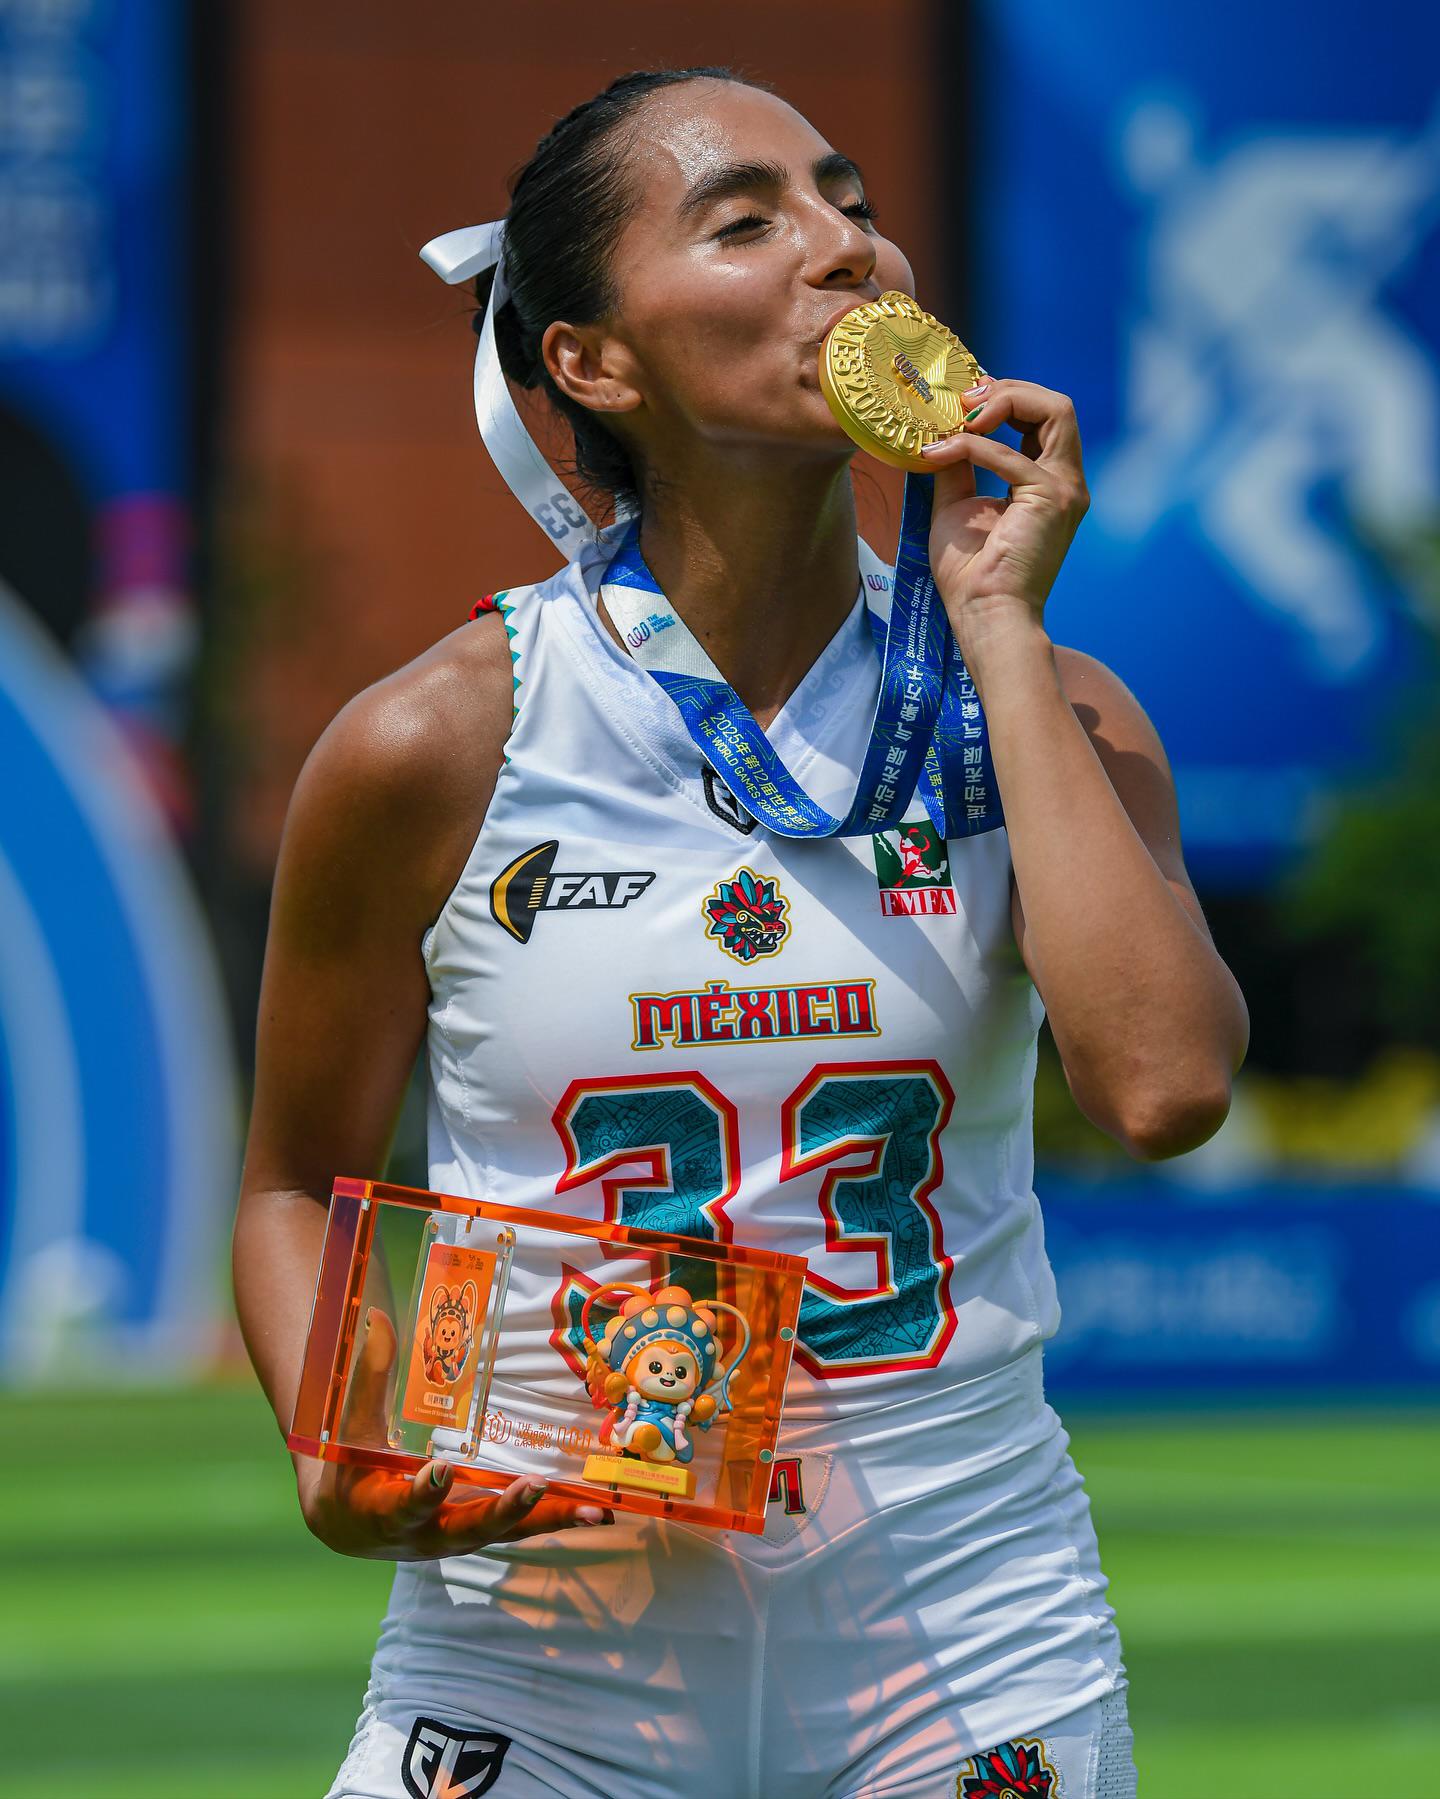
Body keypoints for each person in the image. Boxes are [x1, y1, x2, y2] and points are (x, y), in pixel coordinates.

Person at [233, 65, 1248, 1799]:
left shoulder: (1055, 713)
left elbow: (1160, 1092)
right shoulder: (433, 741)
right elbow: (288, 1186)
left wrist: (999, 631)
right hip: (536, 1640)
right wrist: (340, 1419)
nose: (846, 247)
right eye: (747, 220)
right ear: (591, 359)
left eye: (849, 199)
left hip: (971, 1630)